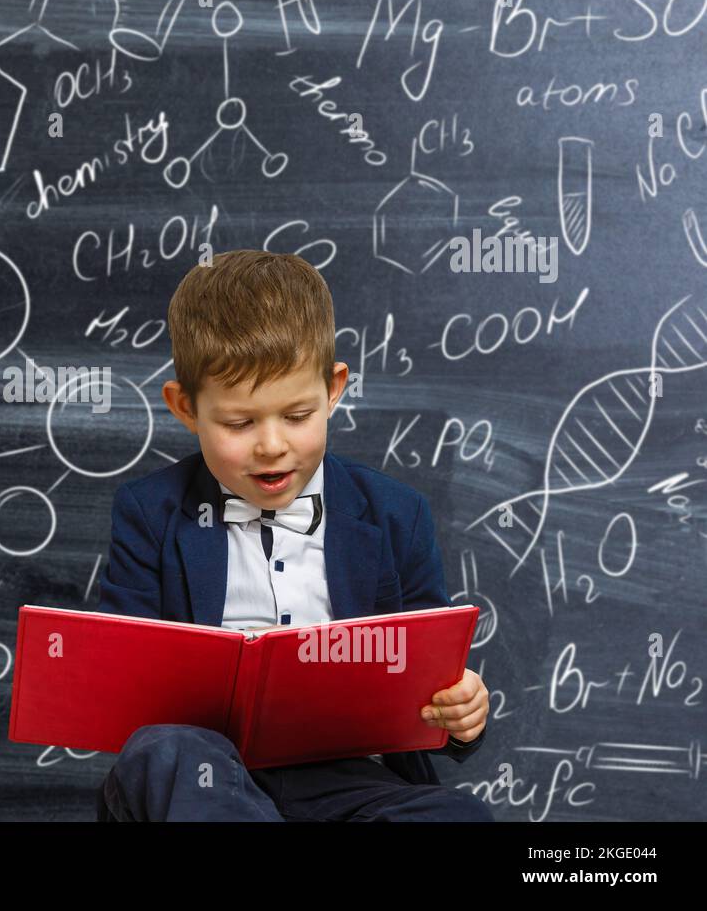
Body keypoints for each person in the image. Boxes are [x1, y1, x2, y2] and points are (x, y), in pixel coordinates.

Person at [94, 249, 492, 822]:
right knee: (168, 750)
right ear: (186, 408)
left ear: (333, 389)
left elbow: (430, 676)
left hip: (344, 780)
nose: (272, 445)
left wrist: (460, 710)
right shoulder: (148, 513)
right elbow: (121, 687)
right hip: (199, 778)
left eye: (297, 416)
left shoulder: (396, 514)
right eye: (239, 423)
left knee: (457, 818)